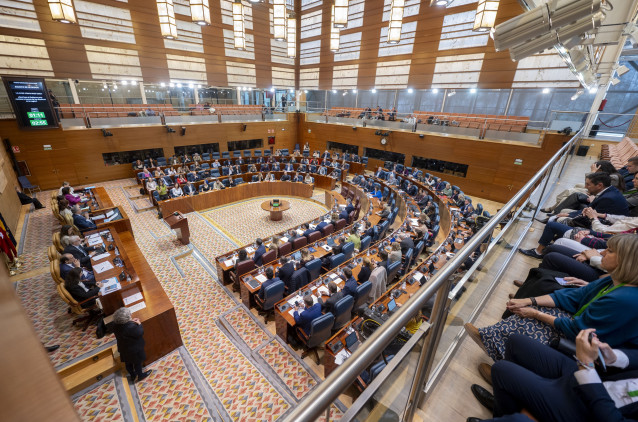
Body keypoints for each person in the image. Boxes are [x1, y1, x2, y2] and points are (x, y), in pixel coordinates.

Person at [465, 233, 638, 361]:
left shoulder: (624, 299)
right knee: (539, 302)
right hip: (581, 325)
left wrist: (535, 313)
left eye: (610, 251)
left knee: (534, 318)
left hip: (588, 351)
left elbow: (578, 330)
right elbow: (575, 295)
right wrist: (530, 301)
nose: (601, 253)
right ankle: (494, 344)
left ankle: (504, 363)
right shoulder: (612, 280)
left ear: (625, 261)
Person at [467, 331, 638, 422]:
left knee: (502, 370)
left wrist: (587, 368)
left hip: (589, 410)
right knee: (516, 343)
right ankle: (505, 407)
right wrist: (615, 357)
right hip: (594, 380)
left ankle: (504, 413)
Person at [112, 307, 152, 383]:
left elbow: (125, 329)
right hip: (134, 349)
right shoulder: (130, 327)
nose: (131, 315)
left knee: (128, 363)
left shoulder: (115, 325)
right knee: (137, 363)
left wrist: (130, 322)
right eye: (129, 315)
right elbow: (140, 332)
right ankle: (140, 376)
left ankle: (132, 375)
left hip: (123, 348)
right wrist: (139, 324)